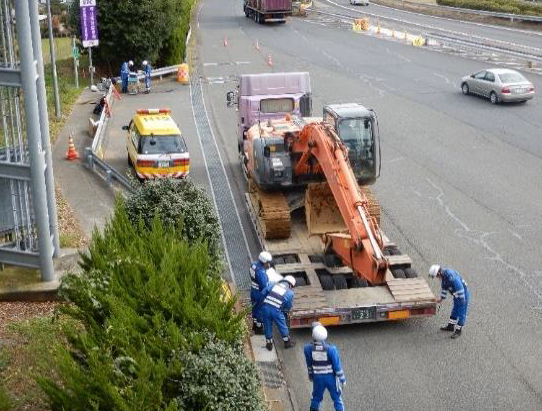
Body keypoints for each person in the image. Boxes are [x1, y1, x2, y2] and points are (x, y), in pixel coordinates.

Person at [304, 323, 346, 411]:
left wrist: (311, 376)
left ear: (312, 335)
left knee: (316, 398)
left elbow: (309, 365)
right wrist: (342, 379)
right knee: (337, 399)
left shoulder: (307, 349)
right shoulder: (331, 349)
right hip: (331, 378)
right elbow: (337, 367)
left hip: (317, 378)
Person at [429, 264, 470, 339]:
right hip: (456, 295)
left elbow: (460, 288)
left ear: (438, 273)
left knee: (461, 313)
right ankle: (451, 326)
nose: (437, 278)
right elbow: (444, 288)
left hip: (463, 295)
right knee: (455, 310)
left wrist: (462, 300)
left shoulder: (451, 277)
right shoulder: (444, 277)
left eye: (436, 276)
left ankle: (458, 330)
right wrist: (441, 299)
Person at [261, 275, 296, 351]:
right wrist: (284, 311)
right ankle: (287, 343)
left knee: (267, 325)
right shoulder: (290, 293)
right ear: (290, 285)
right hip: (276, 311)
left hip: (265, 308)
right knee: (282, 325)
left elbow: (264, 292)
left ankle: (269, 344)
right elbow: (288, 306)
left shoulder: (273, 284)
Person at [250, 251, 273, 335]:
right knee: (260, 310)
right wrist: (270, 284)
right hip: (259, 293)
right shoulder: (261, 272)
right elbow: (264, 285)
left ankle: (254, 325)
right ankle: (259, 328)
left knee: (254, 308)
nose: (268, 264)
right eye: (268, 262)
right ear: (265, 262)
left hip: (253, 290)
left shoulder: (253, 265)